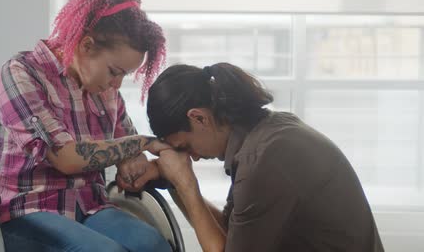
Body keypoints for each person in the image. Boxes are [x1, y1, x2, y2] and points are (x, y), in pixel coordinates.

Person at [0, 0, 173, 252]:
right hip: (26, 212)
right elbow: (66, 158)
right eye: (114, 71)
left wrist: (133, 163)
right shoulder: (21, 74)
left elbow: (127, 148)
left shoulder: (105, 91)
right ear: (86, 46)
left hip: (90, 207)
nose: (117, 85)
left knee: (154, 245)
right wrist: (142, 143)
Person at [119, 62, 384, 252]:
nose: (193, 158)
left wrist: (186, 183)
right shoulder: (265, 134)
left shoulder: (265, 160)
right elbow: (233, 234)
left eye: (185, 146)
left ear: (199, 118)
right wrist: (173, 181)